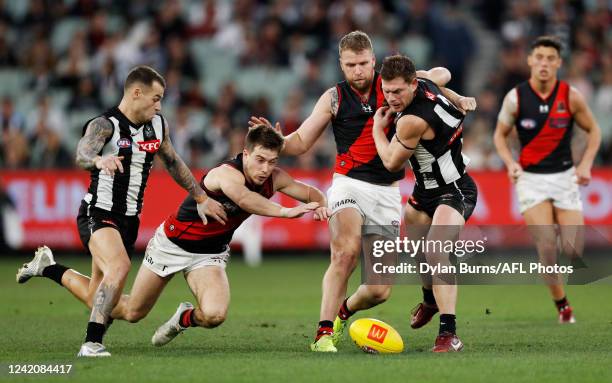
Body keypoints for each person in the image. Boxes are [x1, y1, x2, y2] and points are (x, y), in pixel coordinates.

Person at [17, 125, 327, 349]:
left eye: (272, 162)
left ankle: (182, 319)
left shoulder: (274, 178)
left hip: (209, 254)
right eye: (259, 160)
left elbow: (310, 191)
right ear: (245, 153)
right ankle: (49, 268)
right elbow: (245, 200)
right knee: (128, 311)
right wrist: (287, 212)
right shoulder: (226, 174)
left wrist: (322, 206)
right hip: (171, 245)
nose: (265, 169)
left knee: (216, 314)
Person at [250, 31, 463, 352]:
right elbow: (302, 140)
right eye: (350, 65)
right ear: (341, 64)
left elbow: (438, 75)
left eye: (363, 63)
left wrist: (452, 92)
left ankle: (341, 312)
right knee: (346, 251)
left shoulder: (392, 86)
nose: (358, 71)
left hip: (388, 192)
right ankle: (323, 334)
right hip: (348, 185)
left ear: (373, 61)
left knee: (378, 290)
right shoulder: (334, 97)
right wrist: (277, 141)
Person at [16, 65, 227, 357]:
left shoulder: (158, 125)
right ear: (136, 93)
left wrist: (201, 196)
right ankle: (92, 343)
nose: (159, 104)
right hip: (98, 212)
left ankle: (47, 267)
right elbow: (82, 153)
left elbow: (174, 162)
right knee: (120, 267)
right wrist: (98, 161)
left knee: (110, 304)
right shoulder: (105, 125)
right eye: (156, 98)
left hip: (129, 221)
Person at [371, 54, 478, 352]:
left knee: (436, 251)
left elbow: (392, 162)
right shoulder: (425, 82)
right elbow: (442, 71)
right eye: (386, 90)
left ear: (413, 85)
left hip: (455, 189)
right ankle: (430, 301)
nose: (391, 98)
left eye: (397, 92)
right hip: (423, 193)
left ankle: (449, 334)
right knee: (421, 253)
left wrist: (377, 131)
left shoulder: (410, 121)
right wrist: (454, 94)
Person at [493, 36, 601, 324]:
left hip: (565, 177)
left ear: (558, 63)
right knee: (547, 247)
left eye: (550, 58)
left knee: (573, 248)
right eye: (539, 57)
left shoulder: (571, 96)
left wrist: (587, 164)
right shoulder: (515, 97)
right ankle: (563, 306)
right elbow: (499, 135)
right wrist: (509, 162)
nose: (544, 63)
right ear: (530, 60)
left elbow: (594, 132)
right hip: (531, 179)